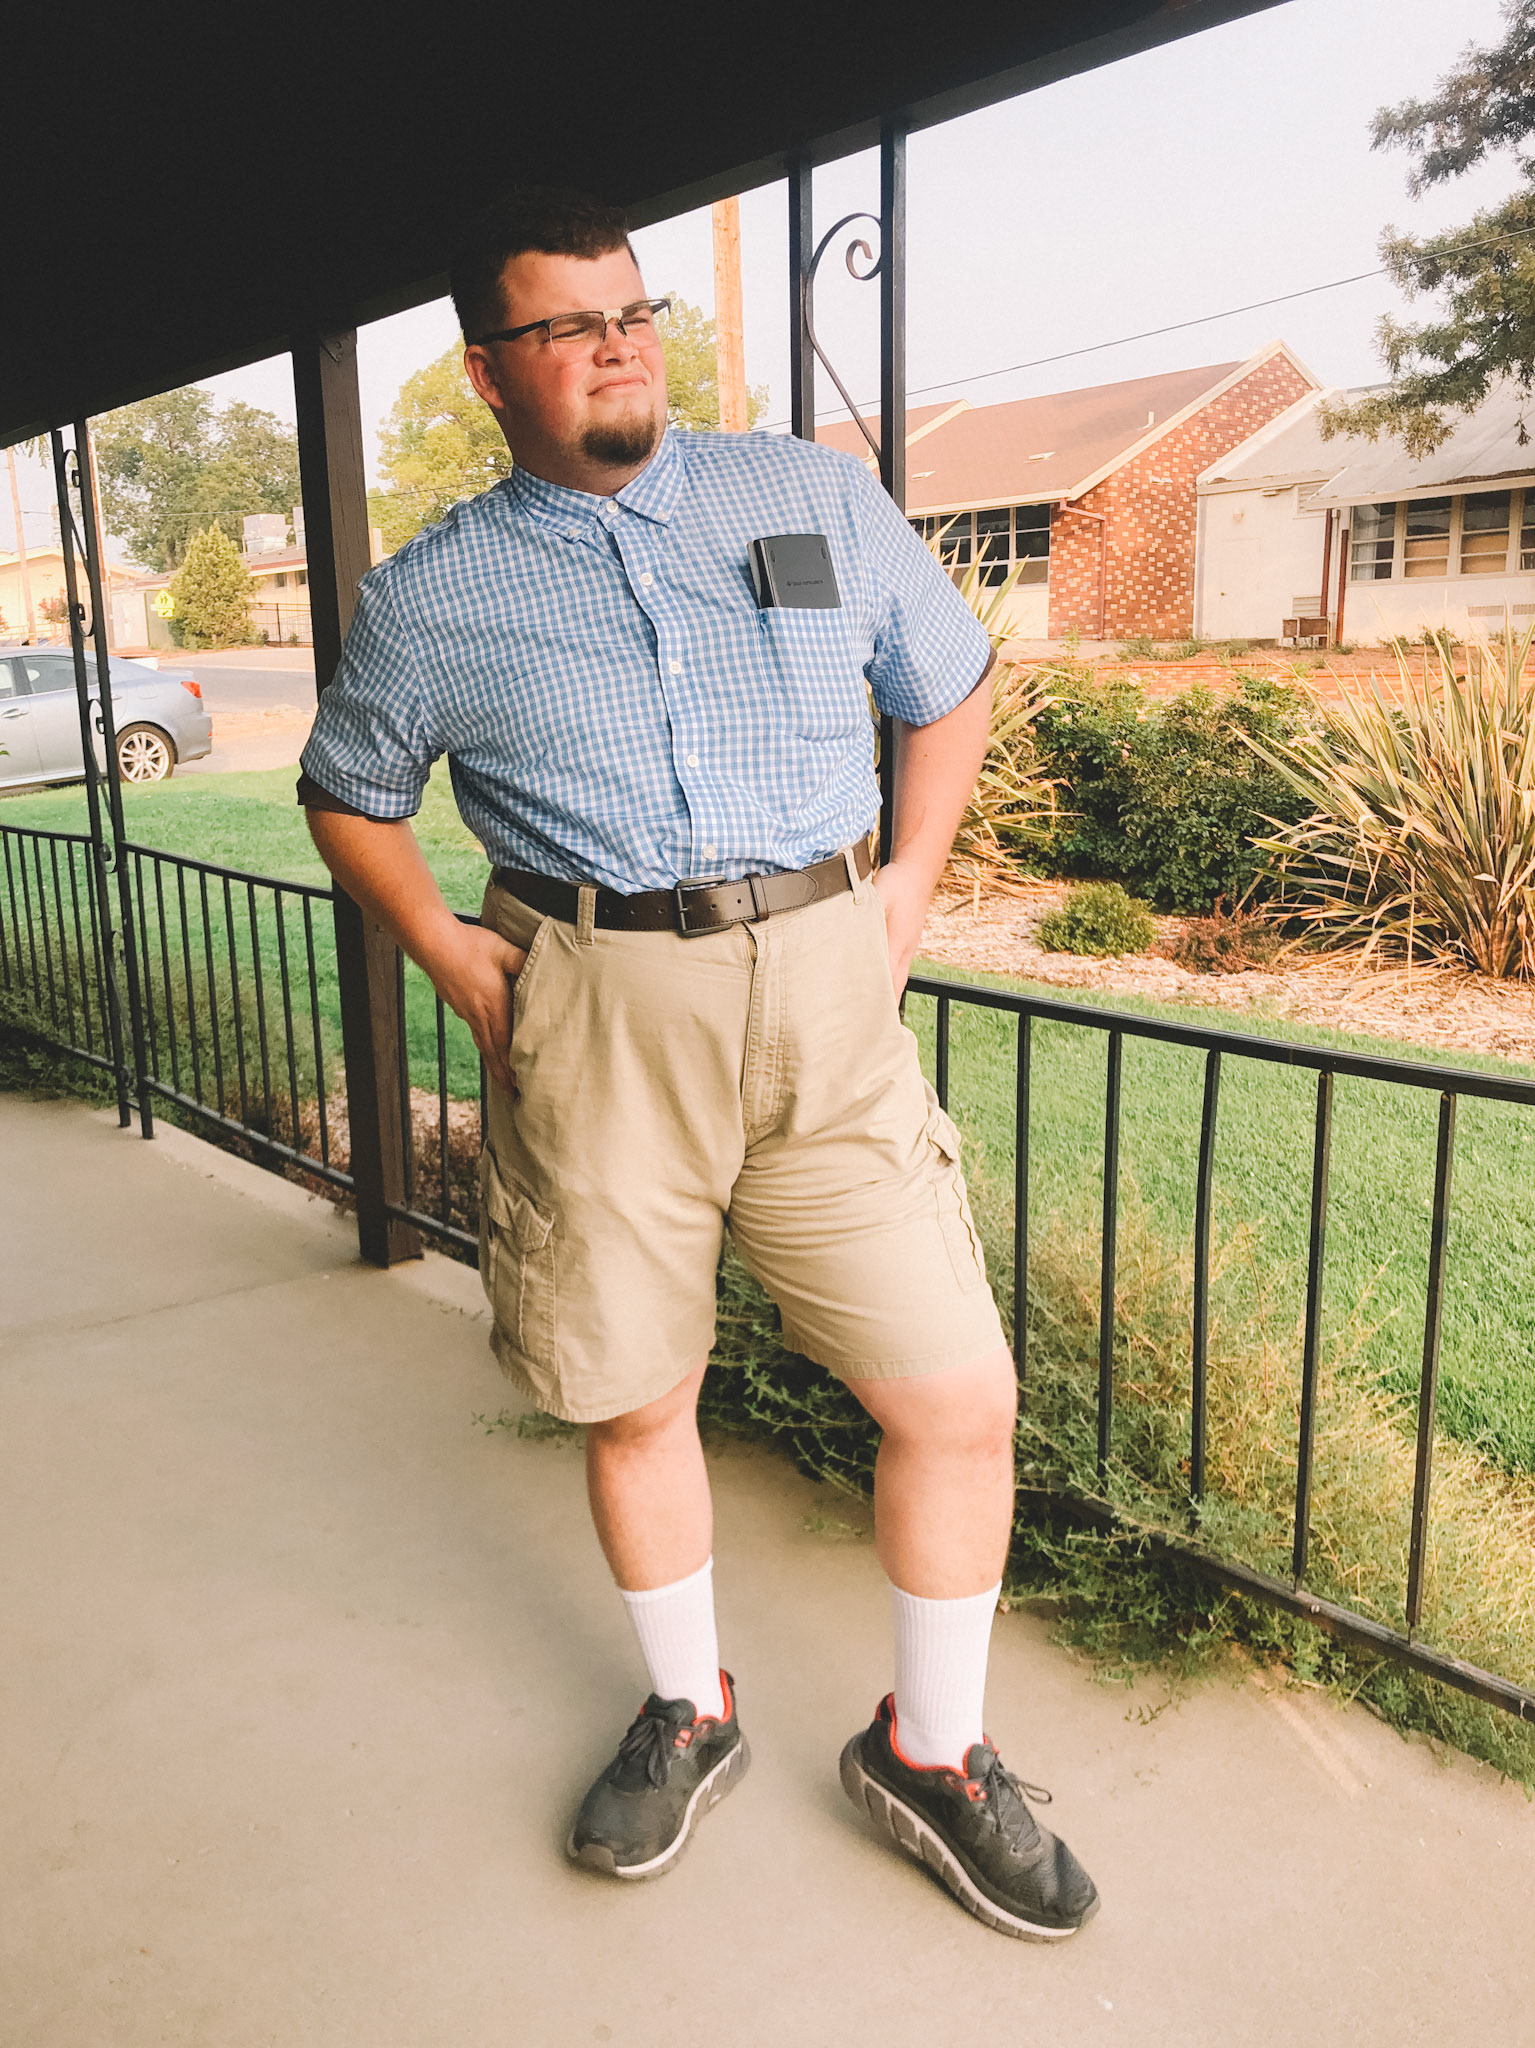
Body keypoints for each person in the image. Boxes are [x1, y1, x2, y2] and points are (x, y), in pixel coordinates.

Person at [297, 187, 1098, 1940]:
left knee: (957, 1395)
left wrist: (908, 885)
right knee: (636, 1394)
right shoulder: (433, 593)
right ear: (490, 371)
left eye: (632, 312)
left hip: (829, 997)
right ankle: (689, 1706)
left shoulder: (803, 495)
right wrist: (452, 956)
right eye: (568, 324)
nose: (617, 346)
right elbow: (348, 794)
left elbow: (946, 681)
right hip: (599, 1009)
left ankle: (934, 1752)